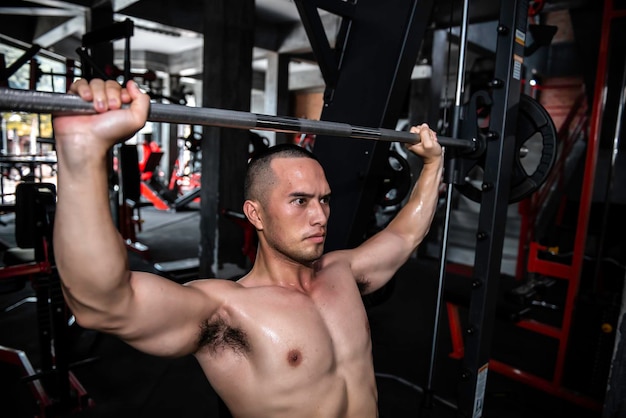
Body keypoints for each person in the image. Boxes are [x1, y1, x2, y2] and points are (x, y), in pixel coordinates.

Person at [53, 78, 443, 418]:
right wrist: (81, 154)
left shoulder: (344, 271)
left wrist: (432, 165)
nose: (320, 216)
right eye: (300, 200)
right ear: (255, 214)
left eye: (324, 200)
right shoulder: (228, 312)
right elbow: (101, 303)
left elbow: (404, 235)